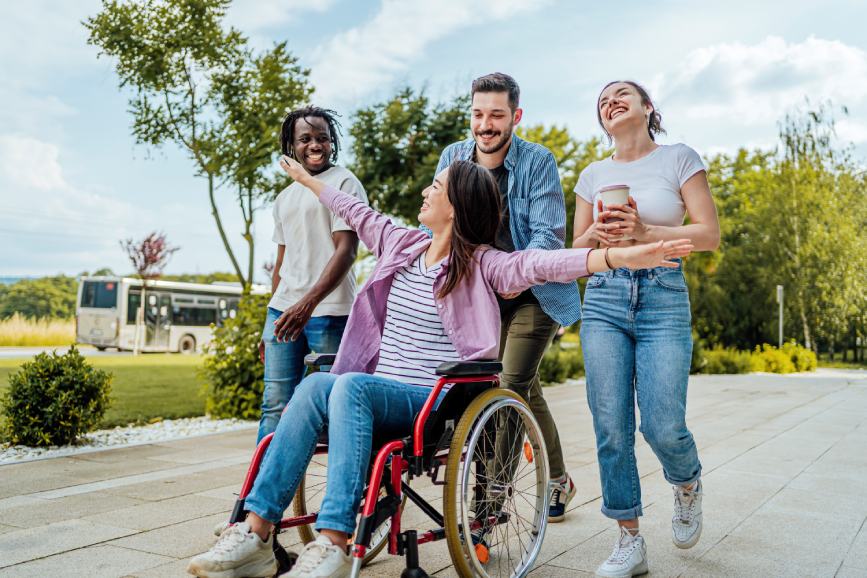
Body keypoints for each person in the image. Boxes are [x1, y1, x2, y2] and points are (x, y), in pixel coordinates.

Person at [187, 157, 695, 578]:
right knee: (320, 382)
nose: (427, 191)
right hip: (373, 390)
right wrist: (308, 181)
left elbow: (544, 264)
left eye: (437, 186)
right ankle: (255, 533)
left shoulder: (483, 264)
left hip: (429, 403)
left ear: (456, 207)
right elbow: (355, 209)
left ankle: (337, 541)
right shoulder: (402, 245)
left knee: (348, 388)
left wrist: (622, 257)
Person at [572, 80, 720, 578]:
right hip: (606, 298)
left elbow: (707, 234)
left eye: (621, 94)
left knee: (661, 424)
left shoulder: (679, 157)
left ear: (647, 107)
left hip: (663, 295)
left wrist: (646, 233)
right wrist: (598, 234)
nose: (610, 101)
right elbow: (578, 252)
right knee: (610, 428)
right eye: (602, 100)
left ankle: (686, 482)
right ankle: (629, 540)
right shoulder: (593, 174)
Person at [436, 73, 580, 522]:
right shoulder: (453, 158)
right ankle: (558, 478)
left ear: (515, 117)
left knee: (508, 386)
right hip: (482, 295)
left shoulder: (538, 161)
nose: (486, 125)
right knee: (524, 387)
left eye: (497, 115)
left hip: (533, 291)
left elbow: (547, 235)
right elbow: (440, 223)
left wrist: (514, 273)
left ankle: (488, 508)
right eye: (478, 114)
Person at [257, 106, 368, 443]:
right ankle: (264, 493)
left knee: (334, 407)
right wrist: (268, 321)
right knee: (274, 405)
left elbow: (346, 251)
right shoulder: (284, 197)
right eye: (305, 139)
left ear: (332, 142)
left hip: (328, 312)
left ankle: (357, 489)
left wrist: (307, 304)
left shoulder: (344, 182)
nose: (315, 144)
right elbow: (282, 261)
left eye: (322, 137)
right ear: (292, 146)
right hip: (283, 312)